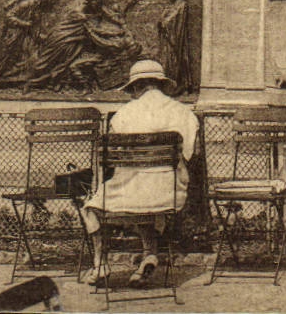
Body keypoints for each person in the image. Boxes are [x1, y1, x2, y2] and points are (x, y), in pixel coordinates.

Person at [79, 60, 200, 286]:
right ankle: (149, 254)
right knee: (145, 202)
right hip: (169, 192)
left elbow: (115, 158)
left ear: (136, 87)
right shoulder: (184, 113)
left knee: (92, 208)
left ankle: (100, 264)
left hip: (131, 188)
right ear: (161, 85)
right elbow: (190, 154)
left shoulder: (122, 115)